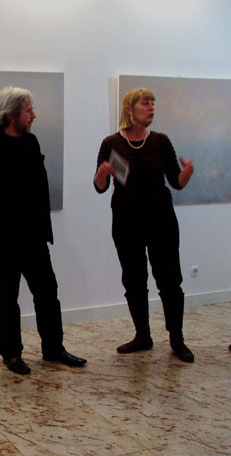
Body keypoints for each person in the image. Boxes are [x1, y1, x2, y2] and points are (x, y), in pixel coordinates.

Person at [0, 86, 87, 375]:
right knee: (8, 297)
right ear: (11, 115)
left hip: (34, 238)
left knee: (47, 293)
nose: (34, 115)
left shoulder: (31, 143)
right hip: (4, 242)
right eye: (29, 110)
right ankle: (11, 353)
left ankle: (53, 349)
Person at [94, 87, 195, 363]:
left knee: (170, 279)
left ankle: (177, 338)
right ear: (129, 109)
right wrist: (102, 174)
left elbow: (175, 182)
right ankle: (142, 335)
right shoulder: (111, 142)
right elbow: (100, 187)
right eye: (145, 103)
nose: (151, 107)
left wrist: (186, 175)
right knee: (134, 279)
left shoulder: (161, 141)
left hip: (161, 218)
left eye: (153, 103)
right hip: (127, 220)